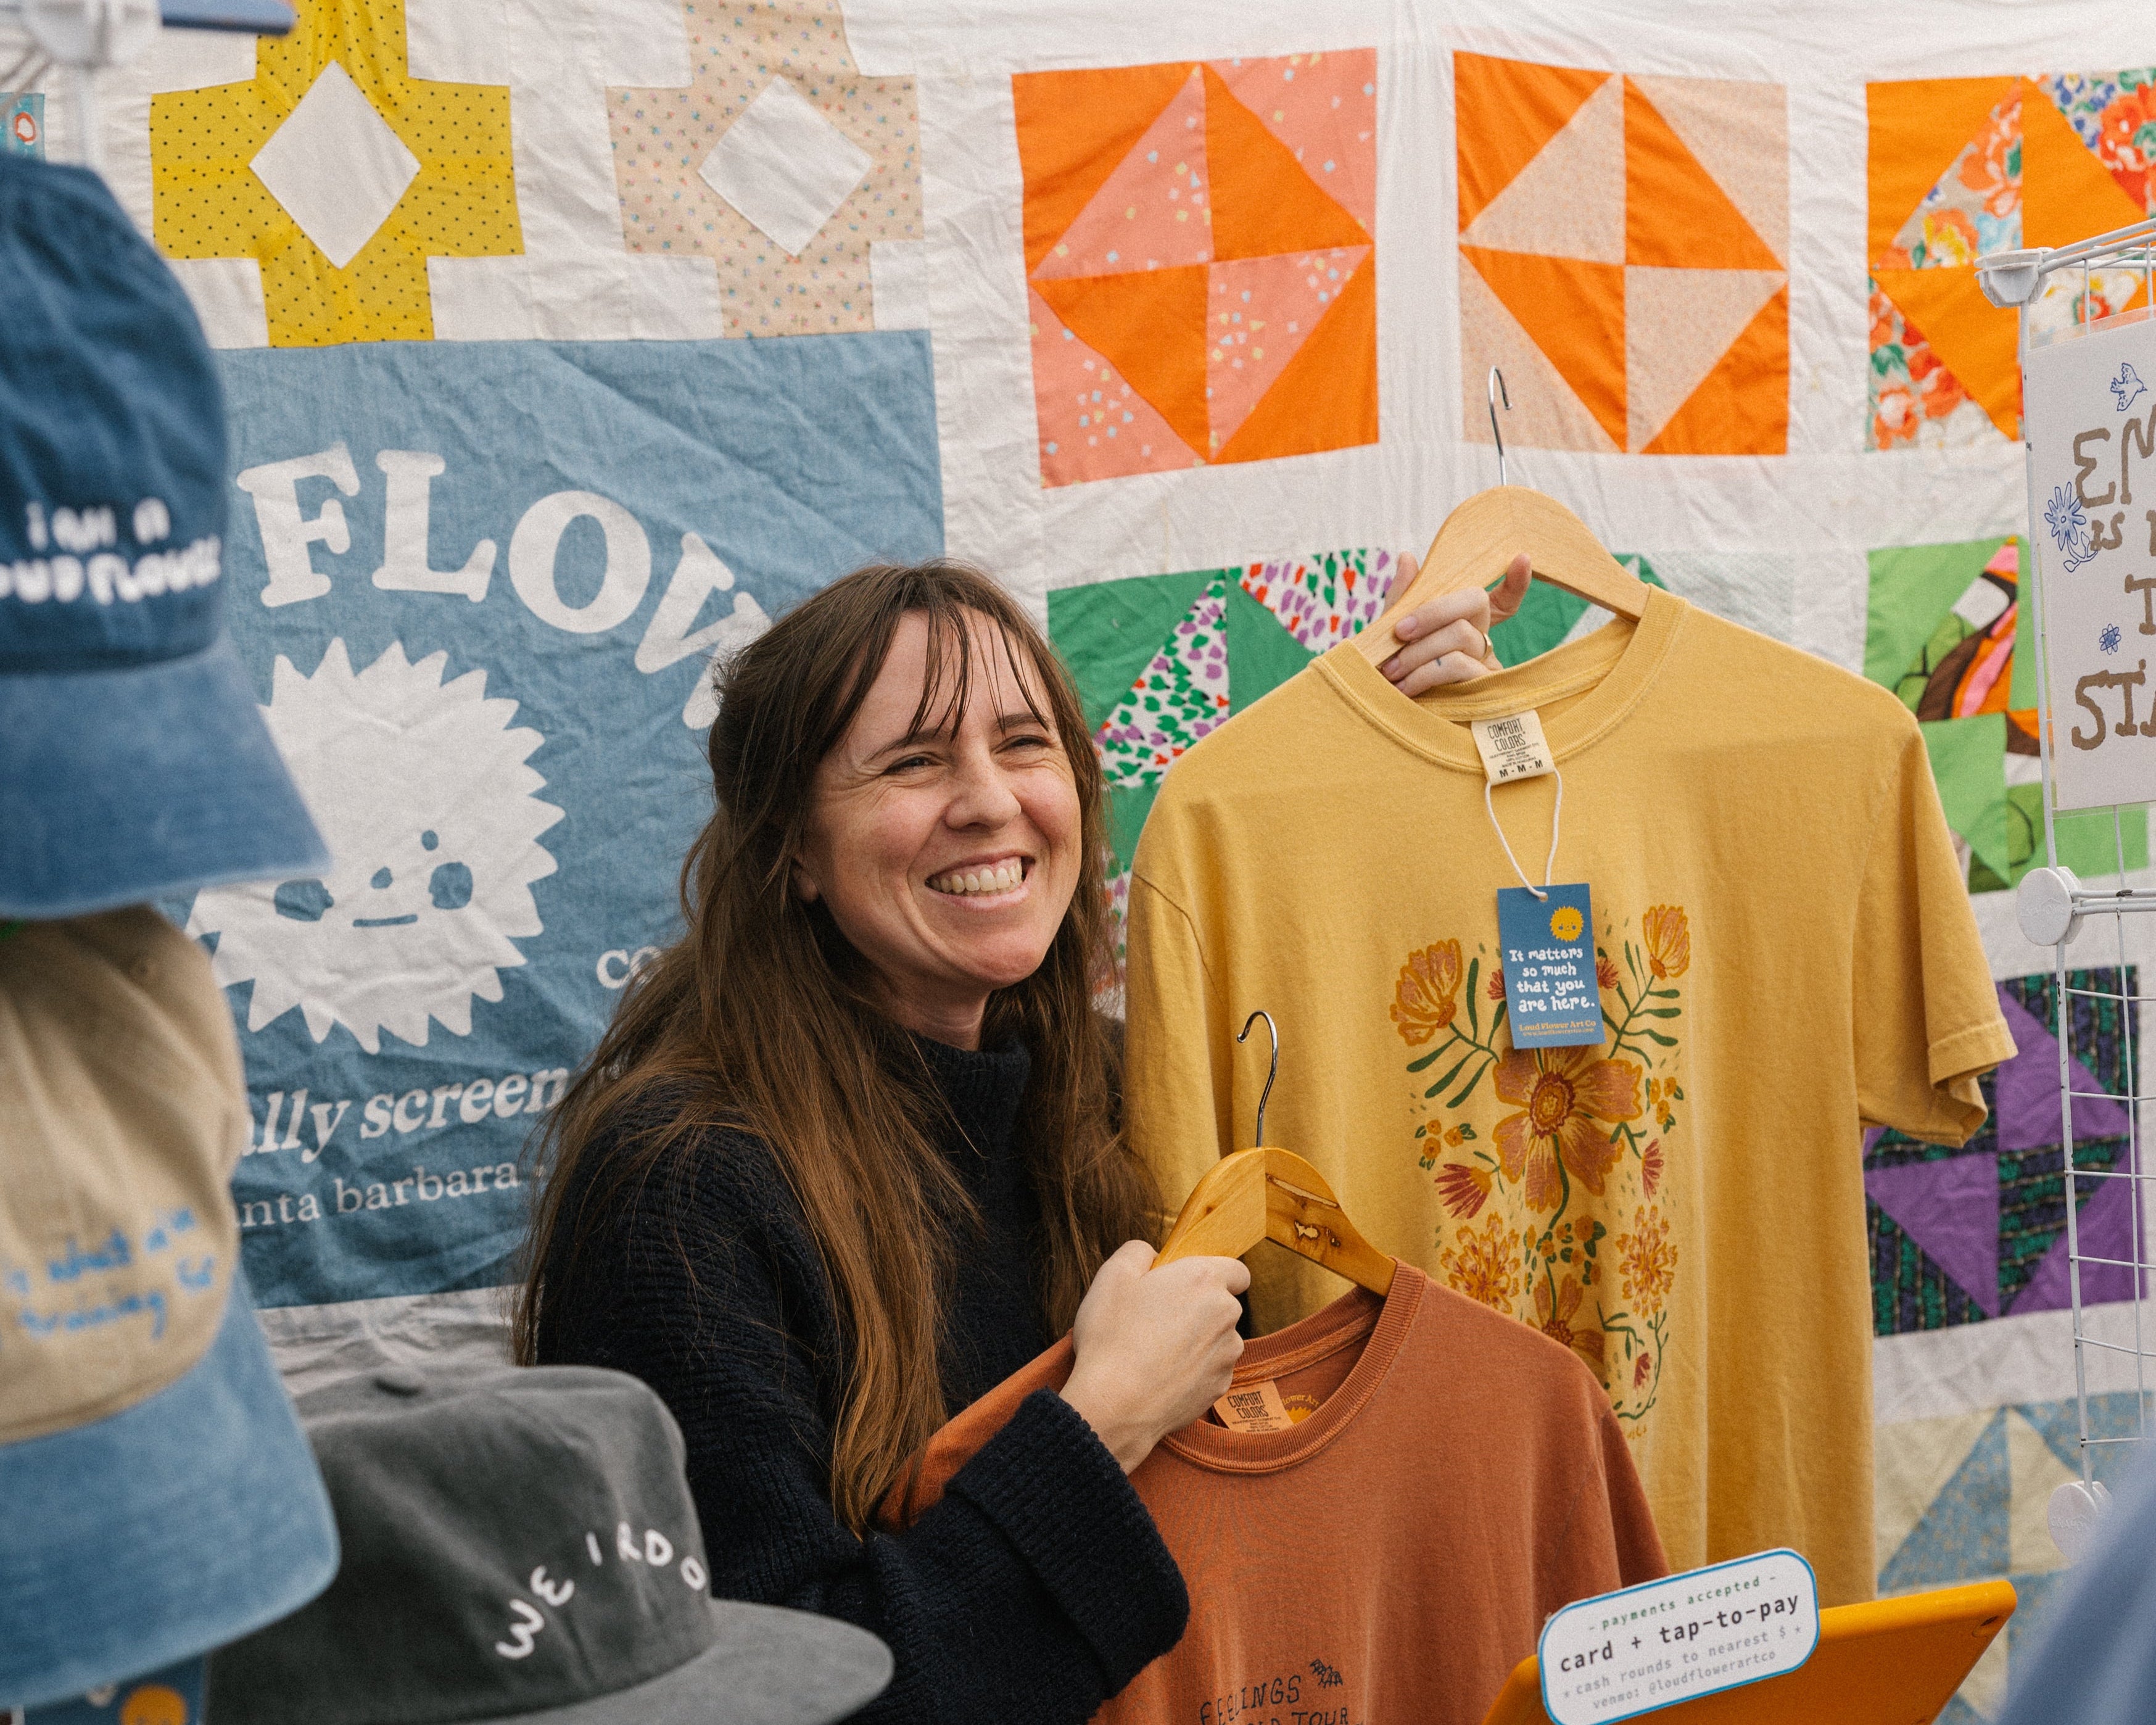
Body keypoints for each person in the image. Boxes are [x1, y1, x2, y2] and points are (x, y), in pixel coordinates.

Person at [518, 552, 1527, 1723]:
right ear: (791, 848)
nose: (990, 801)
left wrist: (1424, 776)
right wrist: (1102, 1424)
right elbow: (773, 1700)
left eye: (1024, 744)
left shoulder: (1111, 1092)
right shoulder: (680, 1189)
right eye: (913, 760)